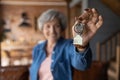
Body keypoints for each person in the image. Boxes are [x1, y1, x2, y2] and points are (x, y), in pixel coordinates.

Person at [29, 8, 103, 80]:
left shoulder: (68, 45)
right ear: (42, 29)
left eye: (57, 26)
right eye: (48, 26)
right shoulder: (37, 49)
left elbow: (82, 65)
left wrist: (80, 44)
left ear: (62, 28)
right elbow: (33, 73)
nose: (52, 31)